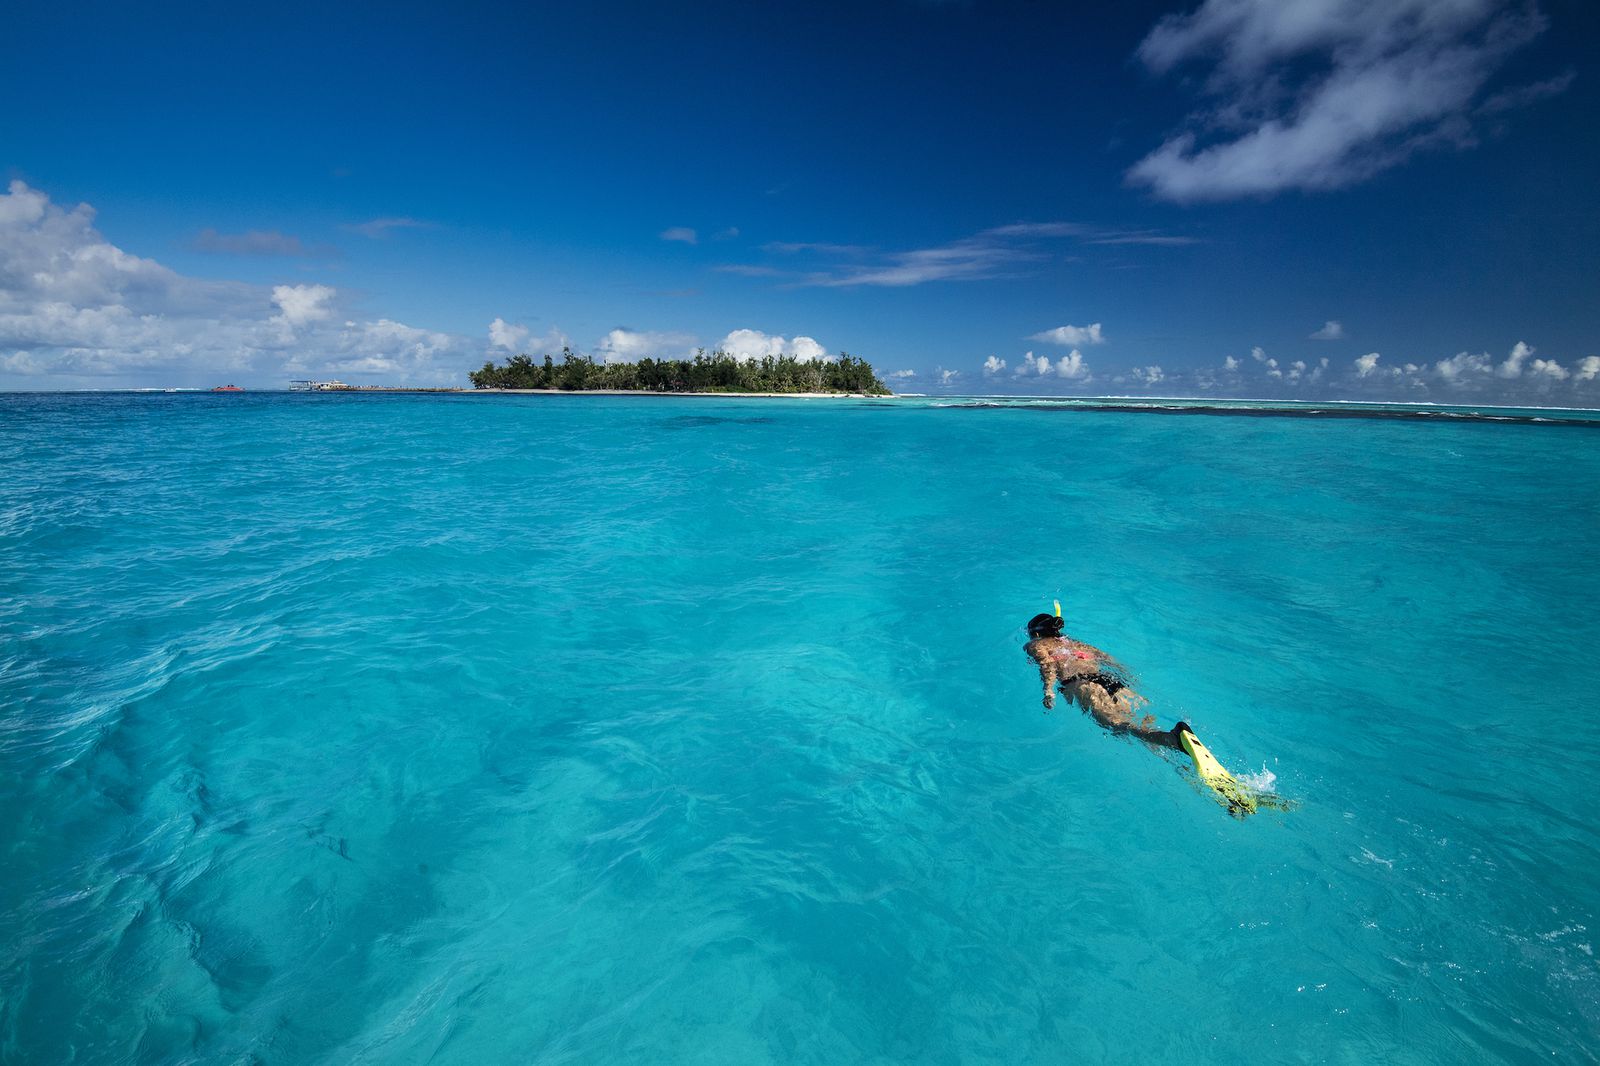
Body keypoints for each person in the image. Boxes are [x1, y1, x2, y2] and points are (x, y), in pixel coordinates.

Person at [1023, 611, 1186, 750]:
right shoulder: (1075, 643)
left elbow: (1047, 665)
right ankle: (1167, 740)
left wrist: (1049, 691)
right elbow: (1108, 659)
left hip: (1084, 684)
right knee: (1135, 719)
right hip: (1112, 681)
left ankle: (1171, 739)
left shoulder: (1036, 645)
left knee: (1116, 724)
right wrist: (1128, 678)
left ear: (1036, 634)